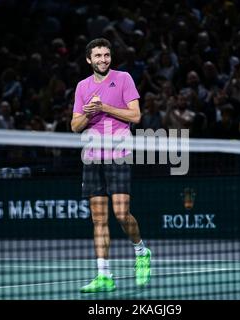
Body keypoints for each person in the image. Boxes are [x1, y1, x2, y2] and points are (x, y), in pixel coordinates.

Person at [70, 38, 151, 293]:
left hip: (119, 154)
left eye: (106, 55)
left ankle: (141, 251)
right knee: (99, 219)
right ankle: (104, 275)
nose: (103, 59)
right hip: (93, 157)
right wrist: (89, 114)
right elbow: (74, 126)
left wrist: (103, 106)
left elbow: (135, 115)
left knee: (120, 213)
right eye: (98, 56)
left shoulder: (124, 78)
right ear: (88, 60)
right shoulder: (82, 86)